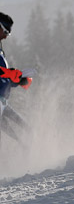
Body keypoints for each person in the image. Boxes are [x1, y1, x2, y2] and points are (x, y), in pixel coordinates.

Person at [0, 12, 31, 144]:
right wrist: (11, 75)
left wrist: (18, 80)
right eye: (6, 31)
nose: (6, 36)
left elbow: (3, 78)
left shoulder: (0, 51)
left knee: (27, 131)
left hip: (3, 103)